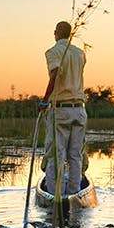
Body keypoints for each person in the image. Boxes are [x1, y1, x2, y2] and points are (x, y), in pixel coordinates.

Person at [39, 21, 87, 195]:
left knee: (56, 155)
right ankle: (74, 195)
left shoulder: (53, 52)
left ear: (57, 33)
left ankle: (55, 196)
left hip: (60, 109)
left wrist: (44, 101)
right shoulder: (80, 53)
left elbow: (54, 75)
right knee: (75, 156)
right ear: (70, 34)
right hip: (79, 110)